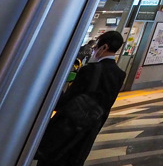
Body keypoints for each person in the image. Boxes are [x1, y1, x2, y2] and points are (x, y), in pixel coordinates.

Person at [36, 31, 127, 166]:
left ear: (104, 47)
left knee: (54, 159)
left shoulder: (90, 70)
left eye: (96, 47)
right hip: (89, 131)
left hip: (69, 128)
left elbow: (66, 100)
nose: (94, 51)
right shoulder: (120, 74)